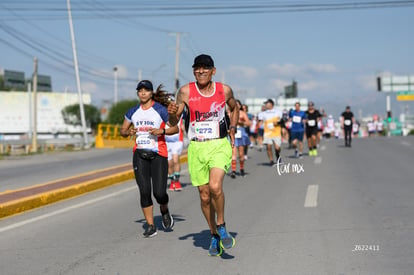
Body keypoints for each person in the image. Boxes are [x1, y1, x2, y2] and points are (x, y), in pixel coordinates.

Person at [168, 54, 239, 257]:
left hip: (218, 144)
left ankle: (222, 224)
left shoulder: (224, 90)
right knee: (204, 196)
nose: (200, 71)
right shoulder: (185, 92)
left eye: (205, 68)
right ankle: (214, 234)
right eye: (196, 68)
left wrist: (232, 127)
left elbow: (235, 109)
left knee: (215, 187)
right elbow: (174, 122)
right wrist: (172, 112)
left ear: (213, 71)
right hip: (197, 148)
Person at [120, 80, 178, 238]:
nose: (143, 93)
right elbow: (123, 130)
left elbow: (175, 128)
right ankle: (151, 225)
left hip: (158, 154)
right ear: (137, 93)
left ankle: (164, 210)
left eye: (146, 90)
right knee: (144, 191)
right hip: (140, 154)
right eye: (140, 91)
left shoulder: (160, 110)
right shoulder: (133, 112)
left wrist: (162, 131)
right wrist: (128, 131)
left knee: (159, 193)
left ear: (151, 93)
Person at [258, 98, 283, 165]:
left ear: (271, 104)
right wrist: (260, 125)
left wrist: (276, 123)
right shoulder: (262, 113)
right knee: (268, 147)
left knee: (277, 148)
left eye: (267, 103)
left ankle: (278, 156)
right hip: (267, 133)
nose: (265, 105)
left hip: (276, 132)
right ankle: (271, 160)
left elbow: (282, 121)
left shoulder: (278, 112)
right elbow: (260, 122)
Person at [230, 100, 251, 178]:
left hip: (241, 133)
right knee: (233, 153)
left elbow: (248, 123)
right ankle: (233, 171)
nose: (236, 106)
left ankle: (242, 169)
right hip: (233, 134)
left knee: (241, 154)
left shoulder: (243, 113)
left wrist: (240, 122)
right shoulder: (230, 113)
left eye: (238, 104)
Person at [166, 112, 184, 191]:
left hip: (177, 140)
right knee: (169, 163)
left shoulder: (179, 113)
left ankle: (177, 181)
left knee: (176, 160)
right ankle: (172, 181)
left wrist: (184, 126)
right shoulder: (162, 112)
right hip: (166, 141)